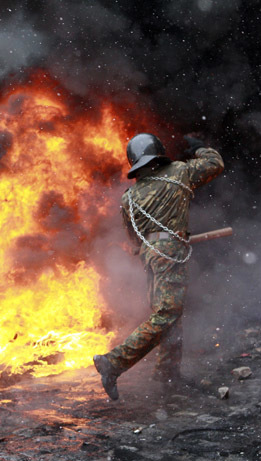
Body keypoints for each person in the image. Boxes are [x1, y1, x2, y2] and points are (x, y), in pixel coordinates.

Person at [93, 133, 224, 400]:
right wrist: (200, 148)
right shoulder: (178, 171)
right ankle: (113, 362)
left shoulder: (129, 197)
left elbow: (135, 239)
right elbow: (215, 164)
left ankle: (167, 376)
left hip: (151, 256)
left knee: (169, 316)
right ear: (159, 153)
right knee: (167, 313)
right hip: (169, 253)